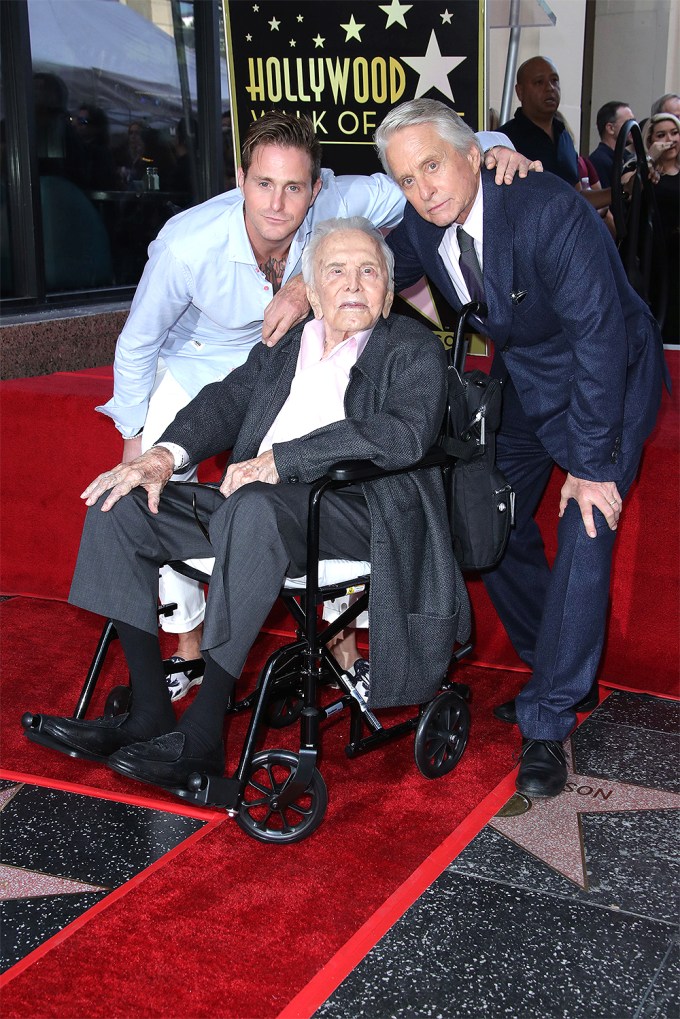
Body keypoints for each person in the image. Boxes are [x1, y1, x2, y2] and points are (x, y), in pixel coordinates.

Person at [99, 110, 536, 700]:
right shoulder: (187, 244)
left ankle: (337, 654)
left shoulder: (388, 324)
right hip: (203, 358)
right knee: (130, 493)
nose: (278, 203)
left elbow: (439, 155)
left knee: (267, 494)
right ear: (240, 179)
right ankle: (177, 664)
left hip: (301, 369)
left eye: (295, 187)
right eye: (263, 184)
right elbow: (144, 347)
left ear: (317, 189)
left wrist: (498, 147)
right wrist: (143, 448)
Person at [24, 217, 469, 794]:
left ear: (387, 291)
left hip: (356, 510)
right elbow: (227, 399)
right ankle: (149, 714)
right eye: (337, 271)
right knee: (122, 503)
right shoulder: (290, 342)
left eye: (369, 272)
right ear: (311, 289)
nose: (354, 284)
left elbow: (401, 433)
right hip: (258, 504)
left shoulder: (408, 349)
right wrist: (161, 456)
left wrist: (284, 459)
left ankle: (204, 738)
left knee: (254, 507)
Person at [374, 98, 668, 799]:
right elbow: (380, 256)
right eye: (408, 178)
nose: (424, 188)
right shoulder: (424, 216)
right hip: (527, 375)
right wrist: (307, 284)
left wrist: (593, 466)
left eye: (435, 166)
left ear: (474, 154)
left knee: (586, 521)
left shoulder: (546, 211)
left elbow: (600, 337)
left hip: (609, 373)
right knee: (485, 512)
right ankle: (555, 662)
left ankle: (548, 718)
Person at [498, 56, 578, 184]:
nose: (550, 87)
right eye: (539, 82)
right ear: (520, 92)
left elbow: (577, 194)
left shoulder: (564, 136)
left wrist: (619, 191)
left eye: (554, 80)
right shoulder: (505, 140)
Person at [645, 113, 680, 343]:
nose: (670, 139)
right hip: (659, 260)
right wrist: (649, 158)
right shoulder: (648, 173)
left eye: (674, 132)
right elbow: (627, 185)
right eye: (661, 135)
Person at [588, 101, 635, 188]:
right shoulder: (599, 160)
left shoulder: (626, 157)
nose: (633, 128)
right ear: (610, 128)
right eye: (628, 123)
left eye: (634, 123)